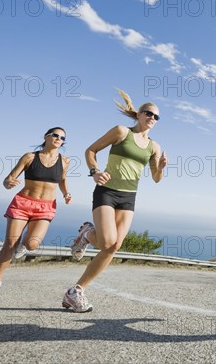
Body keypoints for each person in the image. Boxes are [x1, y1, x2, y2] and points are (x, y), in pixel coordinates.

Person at [62, 90, 168, 313]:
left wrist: (160, 168)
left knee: (113, 247)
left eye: (156, 117)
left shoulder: (154, 147)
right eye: (149, 113)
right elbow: (90, 150)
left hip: (129, 197)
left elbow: (156, 179)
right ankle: (87, 238)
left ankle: (76, 288)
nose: (152, 118)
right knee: (108, 242)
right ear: (139, 115)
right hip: (107, 191)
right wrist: (94, 172)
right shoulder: (121, 132)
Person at [0, 127, 72, 298]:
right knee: (9, 245)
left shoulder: (65, 161)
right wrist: (8, 182)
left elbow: (62, 180)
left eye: (62, 138)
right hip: (22, 203)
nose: (59, 139)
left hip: (46, 206)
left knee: (32, 244)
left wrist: (66, 193)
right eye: (56, 135)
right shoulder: (30, 157)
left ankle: (23, 246)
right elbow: (8, 178)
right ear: (46, 137)